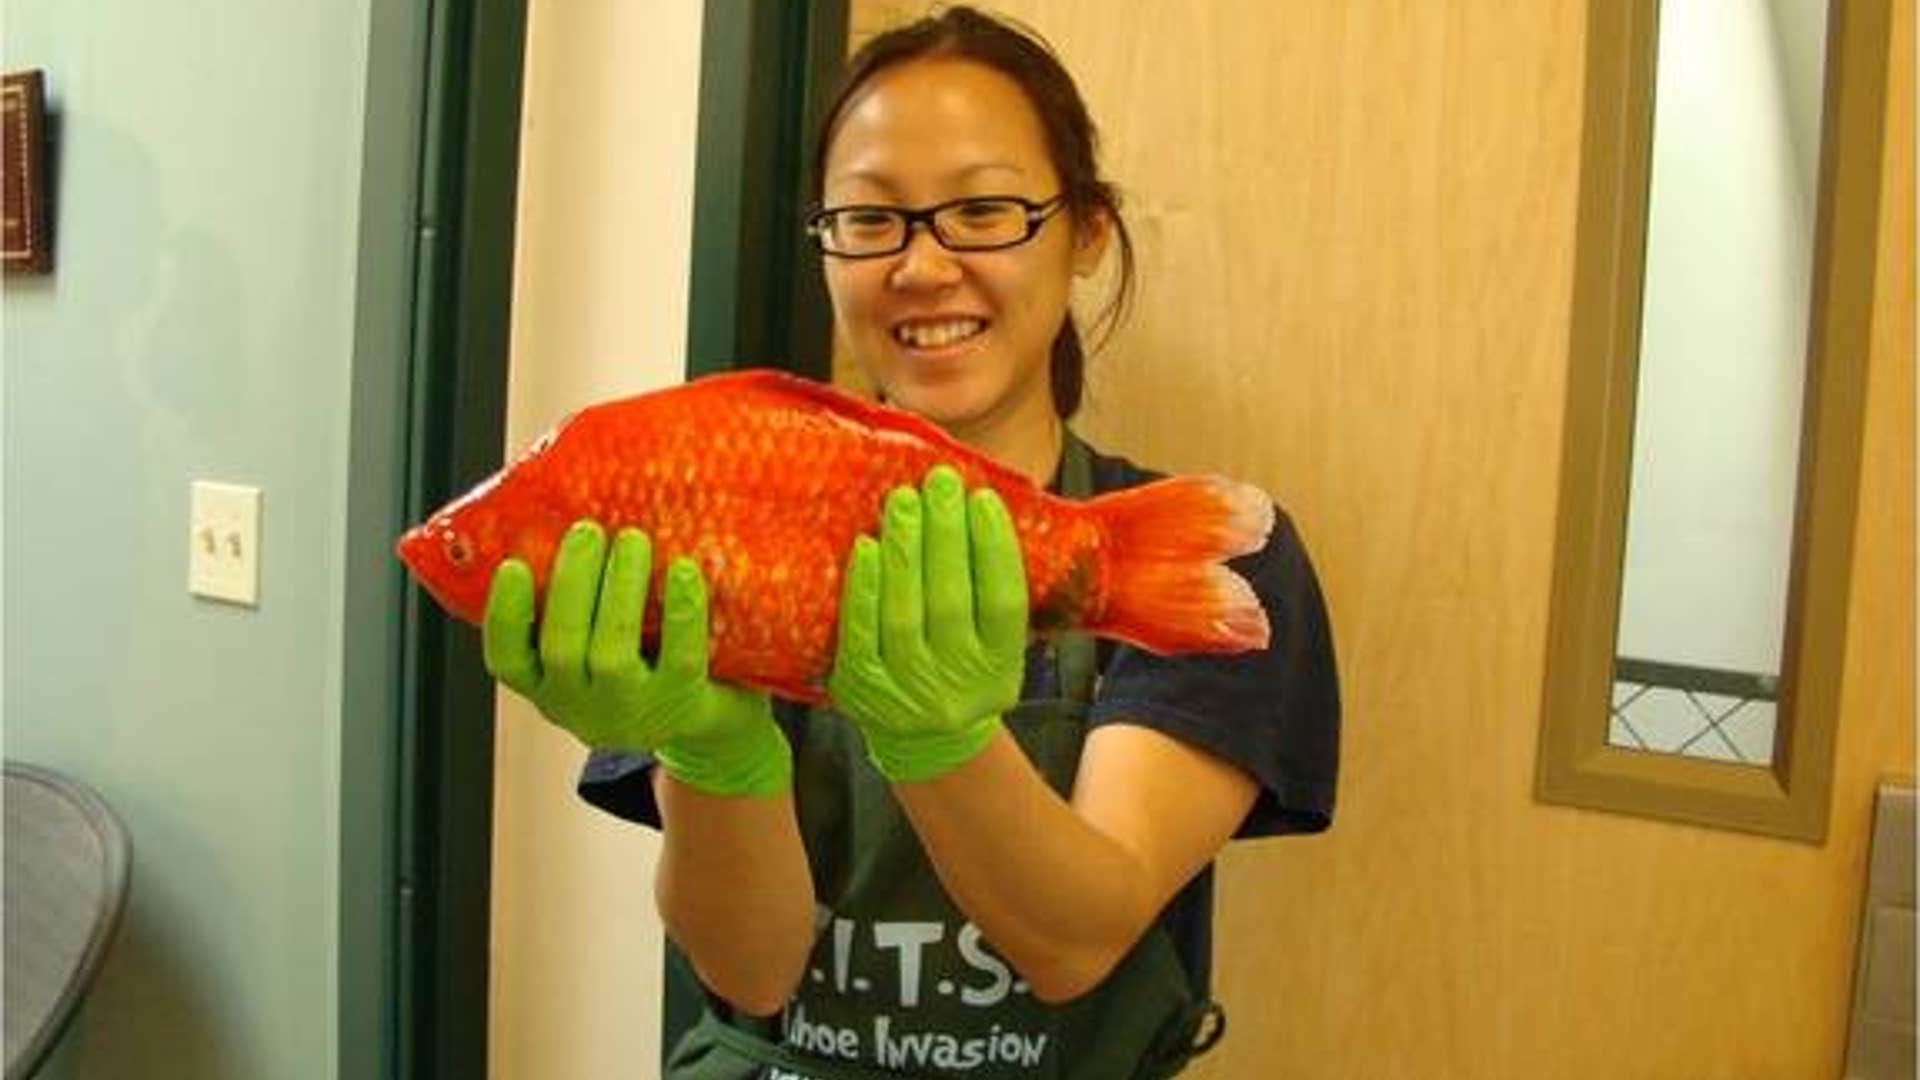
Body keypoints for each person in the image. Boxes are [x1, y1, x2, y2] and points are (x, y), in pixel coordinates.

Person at [482, 7, 1339, 1078]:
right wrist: (714, 752)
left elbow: (1076, 940)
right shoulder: (703, 516)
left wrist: (940, 739)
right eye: (871, 220)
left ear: (1087, 232)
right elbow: (750, 975)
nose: (923, 267)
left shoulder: (1206, 563)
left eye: (983, 210)